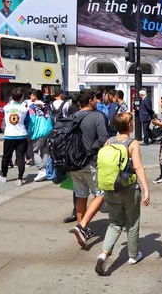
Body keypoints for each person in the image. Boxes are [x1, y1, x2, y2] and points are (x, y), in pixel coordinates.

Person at [95, 112, 151, 275]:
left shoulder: (108, 141)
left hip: (110, 188)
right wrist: (146, 190)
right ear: (129, 126)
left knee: (114, 223)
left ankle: (103, 254)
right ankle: (133, 255)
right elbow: (138, 167)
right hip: (128, 189)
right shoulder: (132, 143)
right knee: (132, 223)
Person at [70, 89, 110, 248]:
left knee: (81, 196)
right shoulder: (97, 116)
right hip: (91, 162)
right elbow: (103, 138)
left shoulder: (73, 116)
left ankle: (82, 229)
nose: (98, 101)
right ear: (91, 100)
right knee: (101, 193)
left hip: (73, 163)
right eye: (96, 99)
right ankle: (82, 226)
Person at [0, 88, 30, 186]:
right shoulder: (25, 109)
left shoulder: (6, 108)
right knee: (20, 157)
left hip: (9, 136)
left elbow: (5, 119)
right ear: (21, 97)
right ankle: (20, 179)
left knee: (6, 157)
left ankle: (4, 176)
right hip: (21, 136)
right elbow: (27, 122)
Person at [27, 90, 51, 182]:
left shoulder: (32, 107)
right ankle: (46, 170)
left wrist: (29, 133)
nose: (30, 97)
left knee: (33, 151)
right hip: (46, 130)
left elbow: (31, 121)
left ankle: (42, 170)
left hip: (37, 132)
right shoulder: (46, 106)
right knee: (45, 151)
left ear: (35, 96)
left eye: (31, 95)